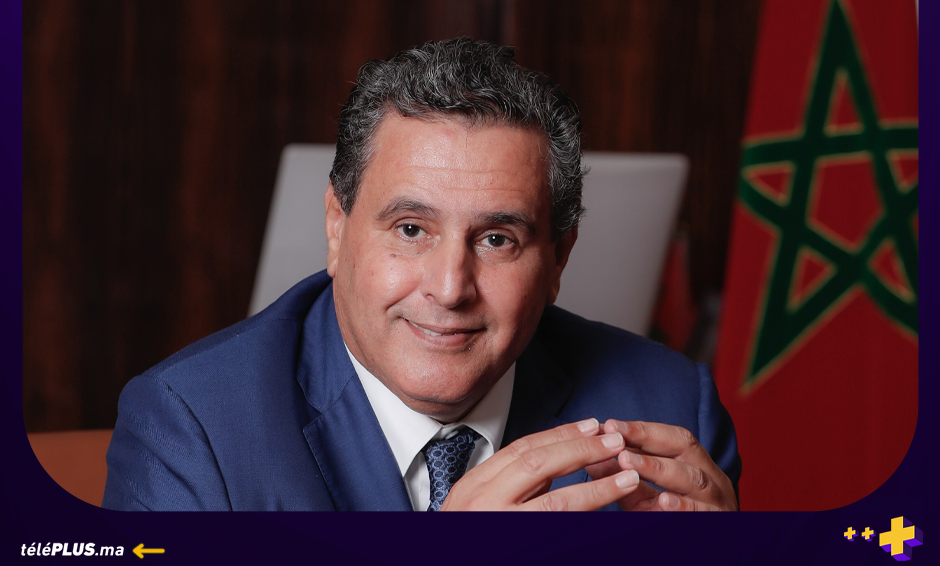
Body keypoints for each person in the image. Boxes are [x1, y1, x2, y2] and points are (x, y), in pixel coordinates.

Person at [103, 38, 740, 512]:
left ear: (558, 260)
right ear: (337, 226)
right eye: (411, 229)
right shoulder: (192, 428)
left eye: (497, 239)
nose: (450, 287)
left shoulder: (670, 409)